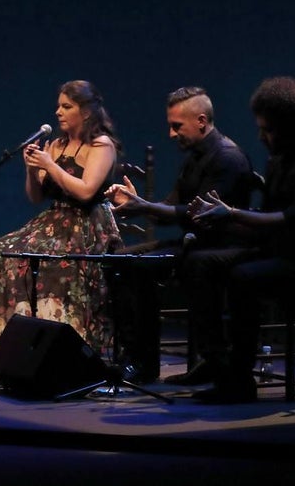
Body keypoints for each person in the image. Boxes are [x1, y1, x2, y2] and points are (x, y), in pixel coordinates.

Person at [183, 76, 295, 403]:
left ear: (293, 127)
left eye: (269, 130)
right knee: (201, 261)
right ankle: (217, 361)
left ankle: (240, 380)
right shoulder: (279, 159)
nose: (262, 137)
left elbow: (290, 221)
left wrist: (231, 214)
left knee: (242, 277)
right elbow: (267, 220)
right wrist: (215, 221)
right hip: (278, 253)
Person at [0, 80, 123, 366]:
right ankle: (3, 336)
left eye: (66, 106)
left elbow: (86, 191)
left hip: (86, 224)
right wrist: (31, 169)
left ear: (85, 112)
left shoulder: (101, 145)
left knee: (48, 258)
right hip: (53, 220)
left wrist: (50, 166)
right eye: (59, 105)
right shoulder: (56, 145)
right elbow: (36, 197)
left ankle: (57, 342)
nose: (58, 112)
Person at [105, 86, 257, 384]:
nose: (171, 134)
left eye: (177, 126)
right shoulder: (194, 156)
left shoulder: (227, 157)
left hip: (224, 247)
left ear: (201, 120)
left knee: (147, 266)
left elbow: (198, 215)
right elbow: (172, 207)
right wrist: (139, 205)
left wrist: (145, 207)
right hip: (199, 242)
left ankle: (204, 359)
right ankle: (139, 357)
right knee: (121, 260)